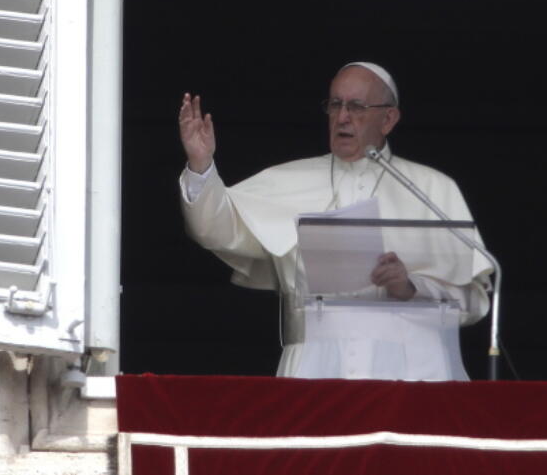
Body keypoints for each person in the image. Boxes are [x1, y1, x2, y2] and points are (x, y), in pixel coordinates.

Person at [178, 62, 492, 380]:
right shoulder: (288, 180)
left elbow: (475, 303)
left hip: (414, 372)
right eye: (335, 104)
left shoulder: (433, 189)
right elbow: (214, 229)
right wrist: (201, 164)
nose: (342, 117)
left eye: (356, 107)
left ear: (388, 119)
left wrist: (410, 287)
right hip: (314, 367)